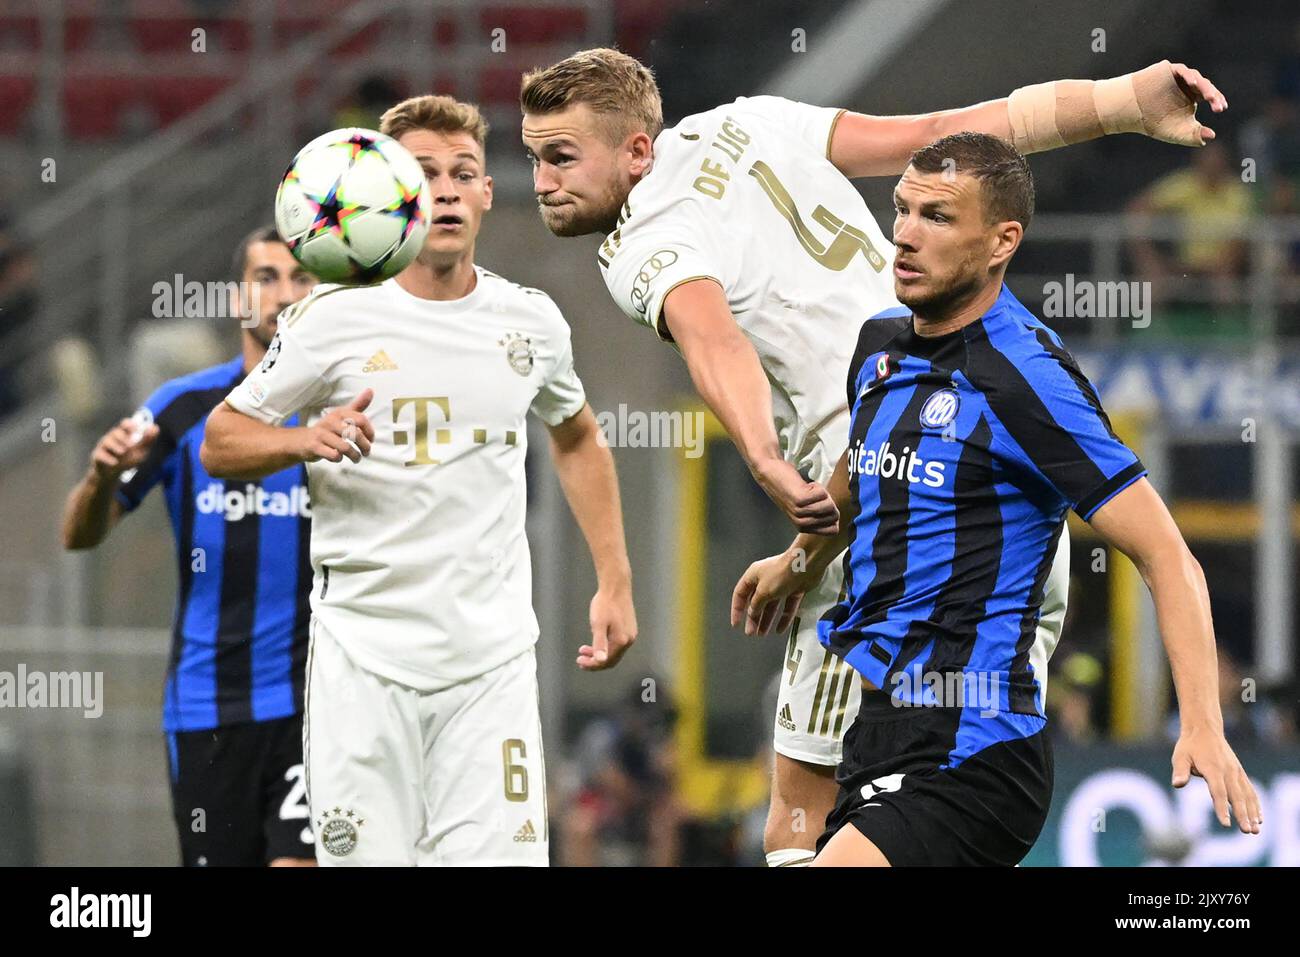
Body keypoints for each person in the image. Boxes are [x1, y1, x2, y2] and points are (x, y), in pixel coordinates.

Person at [519, 47, 1226, 866]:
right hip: (984, 507)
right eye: (535, 158)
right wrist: (1119, 99)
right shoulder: (750, 120)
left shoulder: (642, 241)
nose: (541, 180)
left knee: (804, 811)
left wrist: (763, 461)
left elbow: (712, 337)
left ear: (637, 152)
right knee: (924, 794)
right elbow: (937, 133)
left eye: (561, 157)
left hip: (880, 515)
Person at [731, 133, 1263, 866]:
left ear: (1001, 241)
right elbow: (866, 470)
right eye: (903, 209)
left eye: (939, 217)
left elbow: (1166, 553)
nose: (906, 235)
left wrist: (1203, 720)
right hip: (879, 727)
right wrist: (799, 560)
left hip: (977, 750)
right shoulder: (879, 347)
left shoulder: (1027, 377)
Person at [201, 95, 637, 866]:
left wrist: (615, 579)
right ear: (388, 192)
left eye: (462, 172)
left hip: (489, 664)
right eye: (422, 173)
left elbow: (577, 438)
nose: (444, 188)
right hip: (363, 663)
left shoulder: (531, 320)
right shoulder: (330, 319)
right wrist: (306, 437)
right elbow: (221, 439)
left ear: (486, 192)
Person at [61, 226, 319, 866]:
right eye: (266, 278)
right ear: (238, 297)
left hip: (315, 707)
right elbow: (78, 534)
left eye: (300, 278)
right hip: (208, 708)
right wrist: (100, 477)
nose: (283, 294)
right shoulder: (180, 408)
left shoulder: (342, 409)